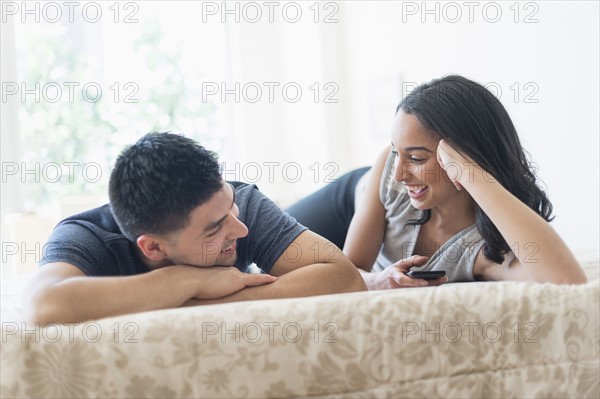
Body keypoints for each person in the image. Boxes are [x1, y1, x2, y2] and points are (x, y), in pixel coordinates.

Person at [23, 133, 366, 325]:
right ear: (153, 248)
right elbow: (42, 305)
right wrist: (191, 281)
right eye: (215, 228)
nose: (240, 228)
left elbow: (344, 278)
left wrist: (197, 304)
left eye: (229, 204)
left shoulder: (238, 204)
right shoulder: (86, 236)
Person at [287, 75, 587, 289]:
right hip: (351, 199)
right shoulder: (391, 173)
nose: (398, 173)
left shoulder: (479, 249)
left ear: (464, 158)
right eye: (396, 153)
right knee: (258, 242)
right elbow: (352, 271)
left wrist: (472, 175)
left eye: (417, 158)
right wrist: (379, 281)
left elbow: (567, 279)